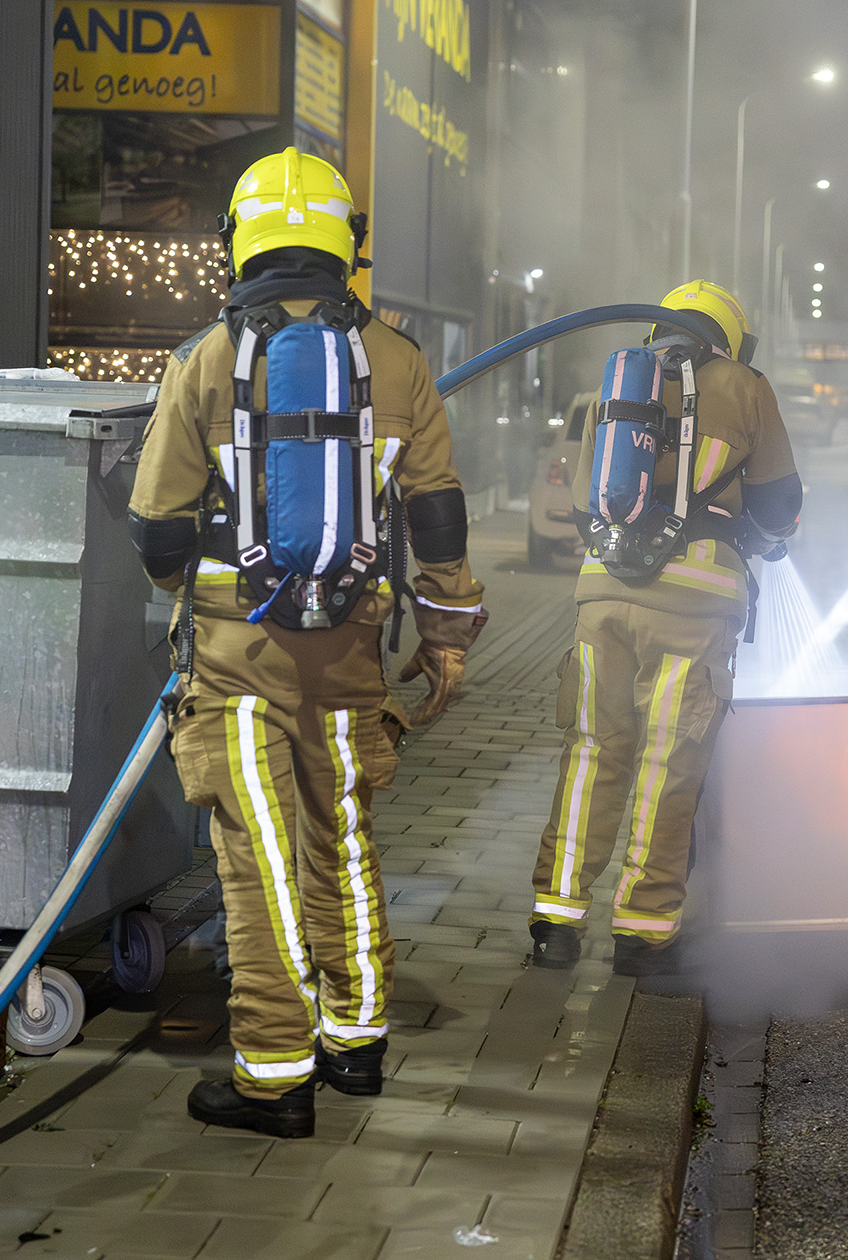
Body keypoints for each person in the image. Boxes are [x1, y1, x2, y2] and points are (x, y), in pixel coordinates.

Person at [128, 148, 487, 1138]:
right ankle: (355, 1038)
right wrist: (448, 635)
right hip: (354, 645)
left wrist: (204, 572)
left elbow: (157, 530)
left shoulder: (207, 356)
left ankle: (274, 1076)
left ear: (240, 240)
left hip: (236, 651)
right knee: (342, 834)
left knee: (258, 857)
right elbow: (440, 518)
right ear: (346, 244)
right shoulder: (400, 360)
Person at [528, 281, 802, 976]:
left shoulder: (622, 385)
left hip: (602, 596)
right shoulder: (746, 387)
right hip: (694, 604)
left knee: (593, 750)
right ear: (732, 339)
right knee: (666, 764)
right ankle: (643, 932)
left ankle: (555, 919)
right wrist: (768, 537)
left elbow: (595, 489)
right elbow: (779, 506)